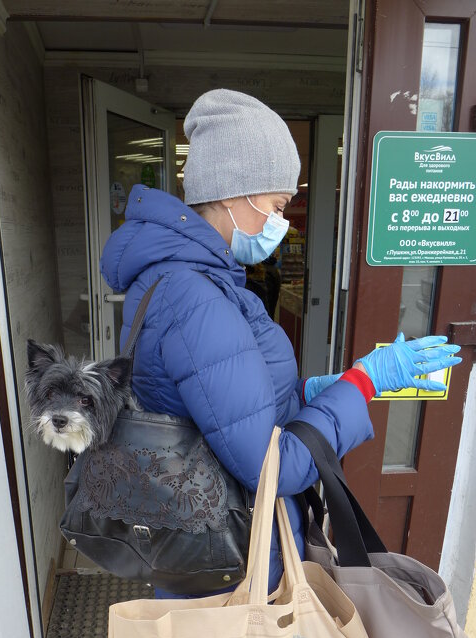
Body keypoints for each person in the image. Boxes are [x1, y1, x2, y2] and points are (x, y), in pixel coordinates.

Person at [100, 88, 461, 599]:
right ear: (231, 193)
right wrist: (363, 381)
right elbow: (277, 464)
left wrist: (315, 390)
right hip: (236, 571)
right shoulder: (194, 297)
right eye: (276, 204)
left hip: (213, 548)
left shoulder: (197, 281)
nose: (281, 221)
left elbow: (226, 405)